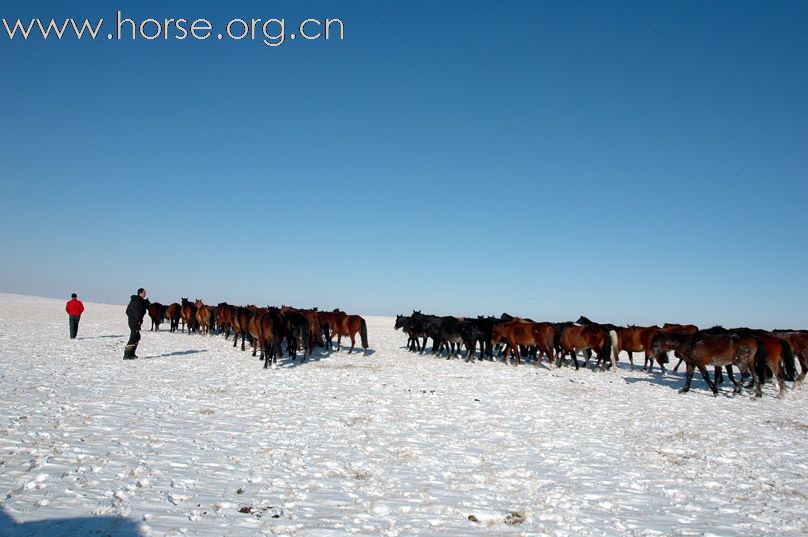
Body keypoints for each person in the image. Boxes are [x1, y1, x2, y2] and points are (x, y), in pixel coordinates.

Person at [124, 288, 149, 359]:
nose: (145, 294)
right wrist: (136, 320)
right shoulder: (138, 301)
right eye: (144, 292)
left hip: (133, 321)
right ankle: (127, 355)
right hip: (135, 322)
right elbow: (137, 312)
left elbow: (127, 311)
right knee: (133, 337)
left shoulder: (136, 300)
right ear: (140, 293)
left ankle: (132, 353)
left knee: (137, 336)